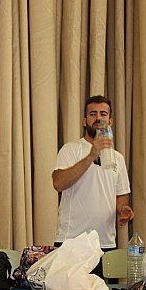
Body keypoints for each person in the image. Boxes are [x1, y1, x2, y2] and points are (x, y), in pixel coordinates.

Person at [52, 95, 134, 277]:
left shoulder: (118, 158)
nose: (98, 118)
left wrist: (124, 210)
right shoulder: (71, 149)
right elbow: (58, 183)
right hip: (72, 242)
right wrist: (91, 155)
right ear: (84, 120)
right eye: (93, 114)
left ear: (110, 121)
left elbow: (121, 195)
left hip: (105, 242)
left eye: (103, 114)